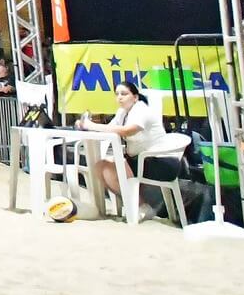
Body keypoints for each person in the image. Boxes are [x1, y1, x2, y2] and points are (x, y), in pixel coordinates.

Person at [77, 78, 186, 218]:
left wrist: (91, 125)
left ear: (135, 97)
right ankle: (136, 205)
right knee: (100, 167)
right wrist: (83, 124)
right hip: (138, 160)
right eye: (117, 94)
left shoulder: (142, 110)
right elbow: (109, 129)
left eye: (124, 94)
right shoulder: (122, 113)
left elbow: (128, 130)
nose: (120, 97)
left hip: (160, 162)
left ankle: (141, 207)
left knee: (114, 168)